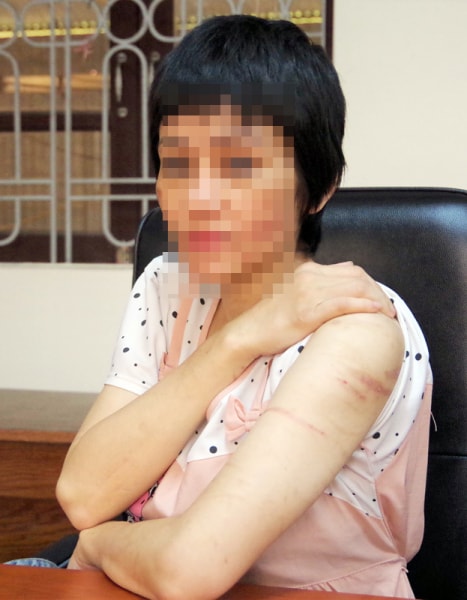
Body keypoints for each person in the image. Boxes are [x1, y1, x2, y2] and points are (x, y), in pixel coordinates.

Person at [54, 15, 432, 600]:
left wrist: (101, 544)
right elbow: (82, 494)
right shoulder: (168, 285)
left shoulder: (358, 331)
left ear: (319, 187)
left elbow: (189, 570)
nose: (200, 198)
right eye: (178, 163)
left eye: (239, 166)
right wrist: (238, 339)